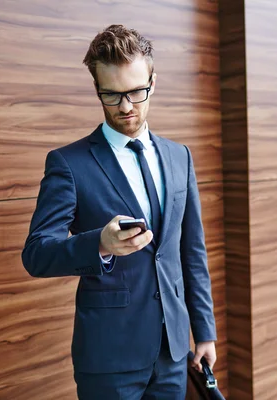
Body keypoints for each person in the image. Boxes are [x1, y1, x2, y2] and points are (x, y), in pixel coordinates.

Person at [21, 24, 217, 399]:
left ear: (153, 82)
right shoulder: (68, 164)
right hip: (108, 357)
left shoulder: (180, 157)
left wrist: (204, 330)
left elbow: (191, 252)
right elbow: (36, 254)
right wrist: (100, 244)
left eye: (136, 92)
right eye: (111, 95)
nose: (126, 107)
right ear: (97, 89)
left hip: (173, 352)